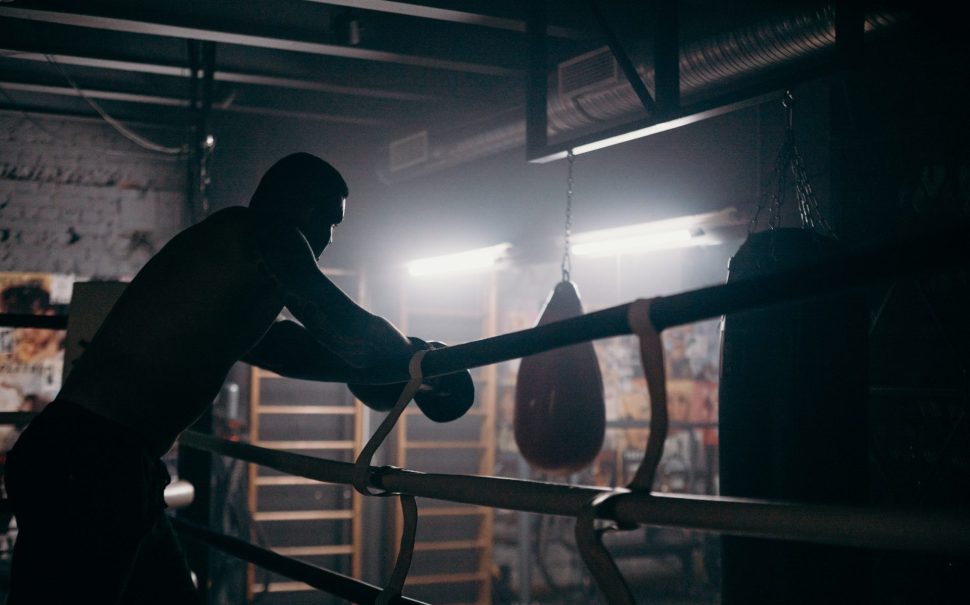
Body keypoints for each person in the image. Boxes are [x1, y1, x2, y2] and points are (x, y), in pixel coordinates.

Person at [2, 153, 430, 604]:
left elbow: (286, 348)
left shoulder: (232, 264)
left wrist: (396, 365)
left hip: (110, 461)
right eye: (330, 221)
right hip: (91, 460)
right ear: (308, 210)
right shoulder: (267, 233)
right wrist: (416, 360)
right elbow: (343, 324)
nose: (329, 238)